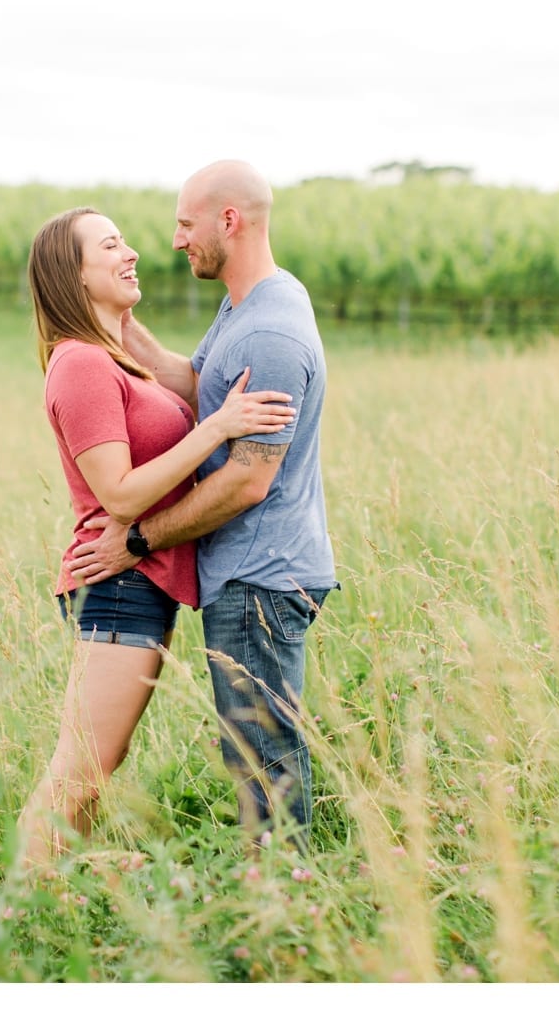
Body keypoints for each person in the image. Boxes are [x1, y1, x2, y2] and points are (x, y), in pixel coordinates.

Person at [15, 205, 297, 867]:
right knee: (79, 772)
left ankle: (51, 892)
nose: (132, 252)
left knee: (92, 770)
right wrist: (219, 427)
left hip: (142, 586)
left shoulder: (110, 357)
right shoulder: (81, 364)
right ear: (73, 276)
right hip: (119, 586)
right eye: (111, 247)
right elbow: (119, 492)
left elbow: (178, 390)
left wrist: (126, 324)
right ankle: (19, 911)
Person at [66, 160, 337, 844]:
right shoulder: (252, 305)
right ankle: (275, 902)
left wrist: (136, 539)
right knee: (252, 759)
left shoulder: (268, 336)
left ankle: (282, 913)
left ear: (229, 221)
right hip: (249, 575)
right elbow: (196, 385)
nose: (176, 241)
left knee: (263, 766)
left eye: (186, 225)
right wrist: (111, 320)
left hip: (257, 578)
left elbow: (248, 480)